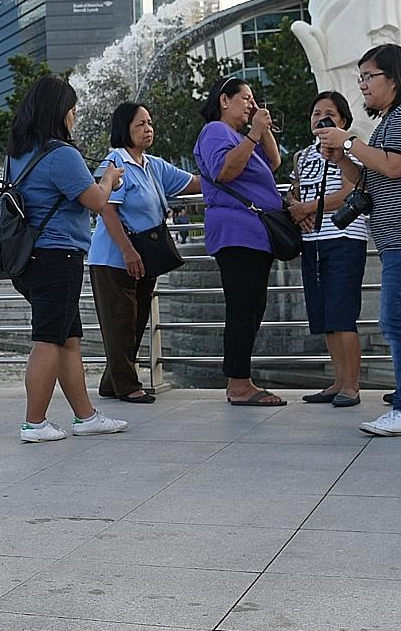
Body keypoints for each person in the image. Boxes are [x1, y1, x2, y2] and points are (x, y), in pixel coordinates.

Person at [317, 45, 401, 436]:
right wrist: (342, 159)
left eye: (368, 77)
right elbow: (372, 179)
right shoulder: (392, 120)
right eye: (360, 77)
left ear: (393, 78)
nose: (361, 84)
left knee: (397, 322)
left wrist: (349, 141)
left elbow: (396, 167)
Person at [4, 75, 129, 442]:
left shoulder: (18, 153)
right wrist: (109, 178)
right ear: (59, 112)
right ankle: (34, 423)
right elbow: (96, 200)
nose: (75, 115)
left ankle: (85, 416)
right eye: (72, 109)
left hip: (32, 258)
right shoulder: (61, 154)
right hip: (58, 256)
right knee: (48, 339)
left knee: (68, 338)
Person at [87, 101, 200, 405]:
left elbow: (192, 183)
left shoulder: (153, 164)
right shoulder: (115, 163)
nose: (148, 129)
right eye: (140, 124)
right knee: (120, 321)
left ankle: (113, 382)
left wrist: (232, 170)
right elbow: (107, 211)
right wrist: (127, 251)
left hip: (144, 256)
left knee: (135, 321)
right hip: (114, 257)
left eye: (150, 123)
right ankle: (126, 385)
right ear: (124, 128)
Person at [195, 77, 286, 406]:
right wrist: (252, 133)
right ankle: (238, 384)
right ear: (224, 100)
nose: (251, 103)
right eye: (245, 98)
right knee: (242, 307)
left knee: (252, 307)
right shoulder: (216, 132)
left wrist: (263, 128)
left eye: (253, 98)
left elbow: (274, 163)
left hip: (254, 234)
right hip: (236, 232)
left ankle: (242, 379)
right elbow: (224, 171)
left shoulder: (241, 135)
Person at [288, 91, 367, 407]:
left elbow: (352, 191)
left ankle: (352, 386)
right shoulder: (303, 155)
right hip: (312, 242)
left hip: (345, 238)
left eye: (329, 113)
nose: (321, 118)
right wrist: (296, 208)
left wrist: (306, 207)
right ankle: (338, 381)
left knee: (343, 314)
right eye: (315, 112)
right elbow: (293, 192)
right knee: (325, 316)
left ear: (343, 120)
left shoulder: (351, 150)